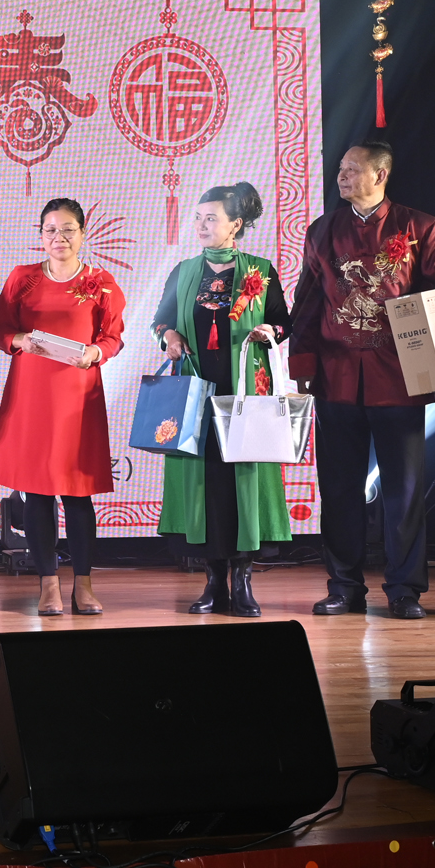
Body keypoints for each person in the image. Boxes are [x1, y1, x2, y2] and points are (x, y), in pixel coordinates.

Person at [290, 140, 435, 621]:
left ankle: (404, 589)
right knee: (339, 488)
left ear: (380, 175)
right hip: (336, 377)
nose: (342, 175)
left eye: (352, 169)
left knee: (404, 488)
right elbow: (308, 302)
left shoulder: (420, 227)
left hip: (400, 374)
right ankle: (344, 586)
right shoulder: (323, 230)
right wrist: (303, 365)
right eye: (340, 168)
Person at [153, 183, 292, 617]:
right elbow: (160, 322)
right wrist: (169, 335)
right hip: (197, 392)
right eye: (198, 218)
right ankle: (213, 580)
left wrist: (269, 332)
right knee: (206, 483)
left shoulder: (260, 271)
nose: (201, 225)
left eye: (210, 218)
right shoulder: (183, 272)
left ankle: (243, 579)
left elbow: (283, 323)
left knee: (242, 479)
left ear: (236, 225)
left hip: (244, 391)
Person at [0, 198, 126, 616]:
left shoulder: (101, 282)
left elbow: (113, 337)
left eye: (68, 229)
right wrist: (21, 340)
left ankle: (83, 585)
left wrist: (96, 353)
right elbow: (1, 329)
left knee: (78, 495)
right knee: (36, 493)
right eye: (50, 230)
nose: (59, 237)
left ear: (83, 233)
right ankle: (48, 584)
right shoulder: (23, 278)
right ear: (41, 235)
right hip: (32, 394)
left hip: (77, 397)